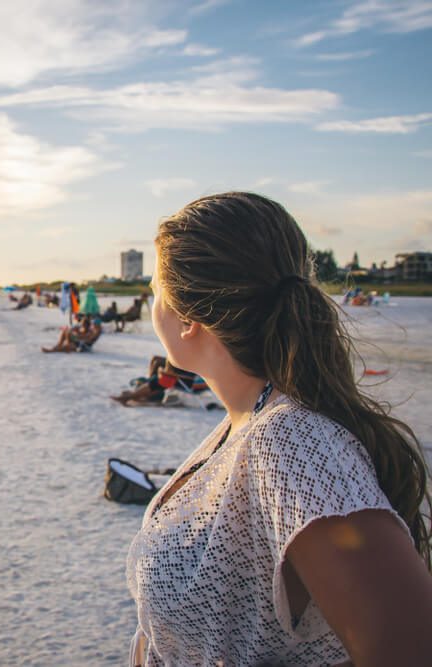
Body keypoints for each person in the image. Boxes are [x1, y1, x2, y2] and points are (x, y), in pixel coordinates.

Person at [126, 192, 432, 666]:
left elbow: (409, 652)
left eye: (153, 289)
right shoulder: (247, 426)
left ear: (187, 319)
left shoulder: (293, 443)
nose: (151, 303)